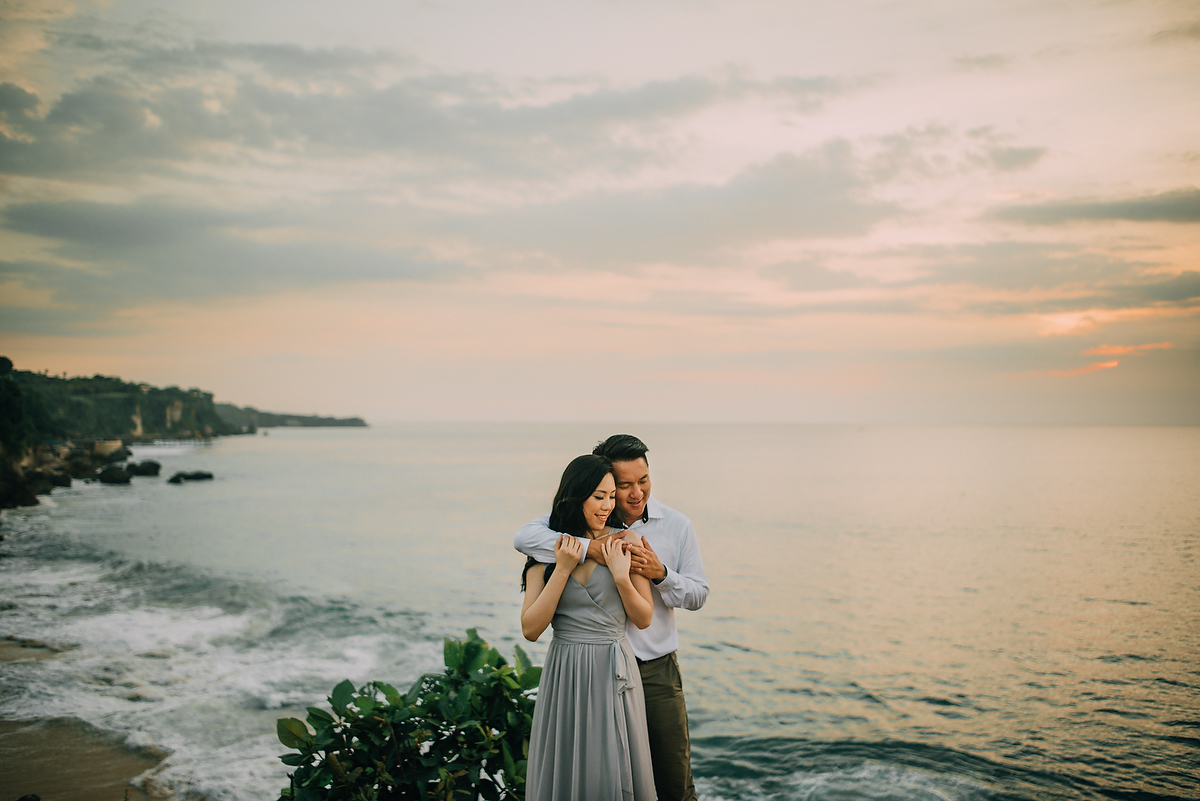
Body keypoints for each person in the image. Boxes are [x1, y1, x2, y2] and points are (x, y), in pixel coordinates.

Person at [515, 435, 709, 801]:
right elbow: (524, 538)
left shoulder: (675, 526)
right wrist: (592, 550)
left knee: (671, 781)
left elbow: (698, 594)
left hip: (652, 670)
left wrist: (660, 573)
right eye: (622, 486)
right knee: (589, 775)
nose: (636, 493)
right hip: (582, 672)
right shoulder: (559, 534)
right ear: (599, 483)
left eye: (644, 480)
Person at [521, 454, 657, 801]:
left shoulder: (628, 542)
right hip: (564, 671)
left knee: (612, 765)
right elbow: (531, 629)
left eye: (611, 496)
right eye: (599, 496)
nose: (607, 505)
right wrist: (564, 568)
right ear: (576, 495)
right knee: (566, 767)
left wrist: (621, 577)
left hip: (612, 667)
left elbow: (643, 618)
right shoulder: (548, 550)